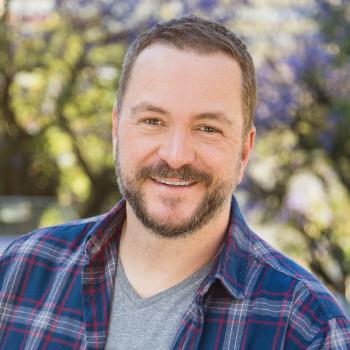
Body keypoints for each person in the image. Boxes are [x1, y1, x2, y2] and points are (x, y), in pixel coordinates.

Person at [0, 15, 349, 350]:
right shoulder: (18, 273)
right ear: (116, 130)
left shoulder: (307, 328)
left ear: (244, 151)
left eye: (208, 128)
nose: (176, 155)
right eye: (153, 121)